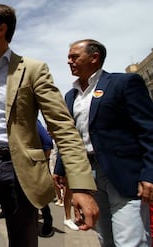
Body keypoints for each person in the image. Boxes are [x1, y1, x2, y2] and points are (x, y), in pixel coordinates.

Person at [0, 4, 99, 247]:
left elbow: (62, 126)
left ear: (1, 29)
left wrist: (80, 186)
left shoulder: (33, 70)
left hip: (20, 169)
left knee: (23, 240)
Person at [54, 39, 153, 246]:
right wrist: (61, 168)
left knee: (130, 239)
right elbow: (70, 136)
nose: (69, 61)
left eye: (74, 56)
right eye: (68, 57)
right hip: (88, 175)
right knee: (104, 237)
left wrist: (149, 173)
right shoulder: (71, 96)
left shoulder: (123, 83)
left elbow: (147, 129)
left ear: (94, 57)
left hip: (124, 175)